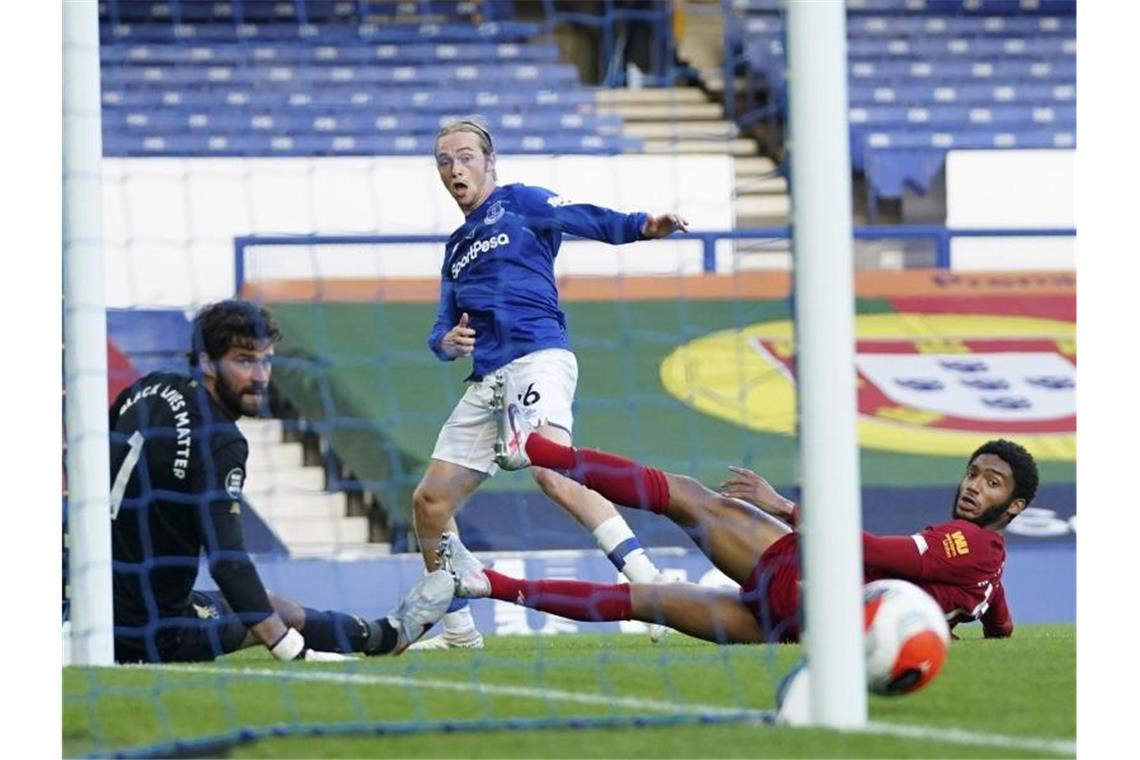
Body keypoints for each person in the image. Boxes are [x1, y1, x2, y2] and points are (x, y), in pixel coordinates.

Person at [410, 115, 691, 649]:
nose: (455, 169)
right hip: (488, 381)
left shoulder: (523, 202)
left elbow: (583, 217)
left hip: (537, 357)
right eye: (445, 161)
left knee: (551, 467)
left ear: (490, 163)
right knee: (429, 504)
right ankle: (458, 631)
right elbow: (440, 326)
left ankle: (650, 586)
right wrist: (444, 344)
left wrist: (642, 226)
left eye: (466, 156)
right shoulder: (455, 248)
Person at [438, 399, 1038, 645]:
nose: (972, 486)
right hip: (798, 629)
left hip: (802, 577)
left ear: (1013, 508)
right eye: (974, 472)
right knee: (643, 601)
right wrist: (999, 633)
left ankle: (538, 451)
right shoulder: (986, 565)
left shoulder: (970, 544)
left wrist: (786, 509)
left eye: (991, 483)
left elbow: (882, 553)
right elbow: (991, 602)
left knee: (689, 497)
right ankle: (487, 584)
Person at [108, 299, 454, 663]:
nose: (260, 376)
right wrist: (290, 650)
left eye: (266, 360)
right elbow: (227, 561)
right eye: (244, 360)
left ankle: (385, 634)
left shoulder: (148, 388)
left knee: (271, 603)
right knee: (266, 613)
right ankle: (382, 635)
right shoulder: (220, 439)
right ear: (207, 361)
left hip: (98, 604)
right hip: (155, 633)